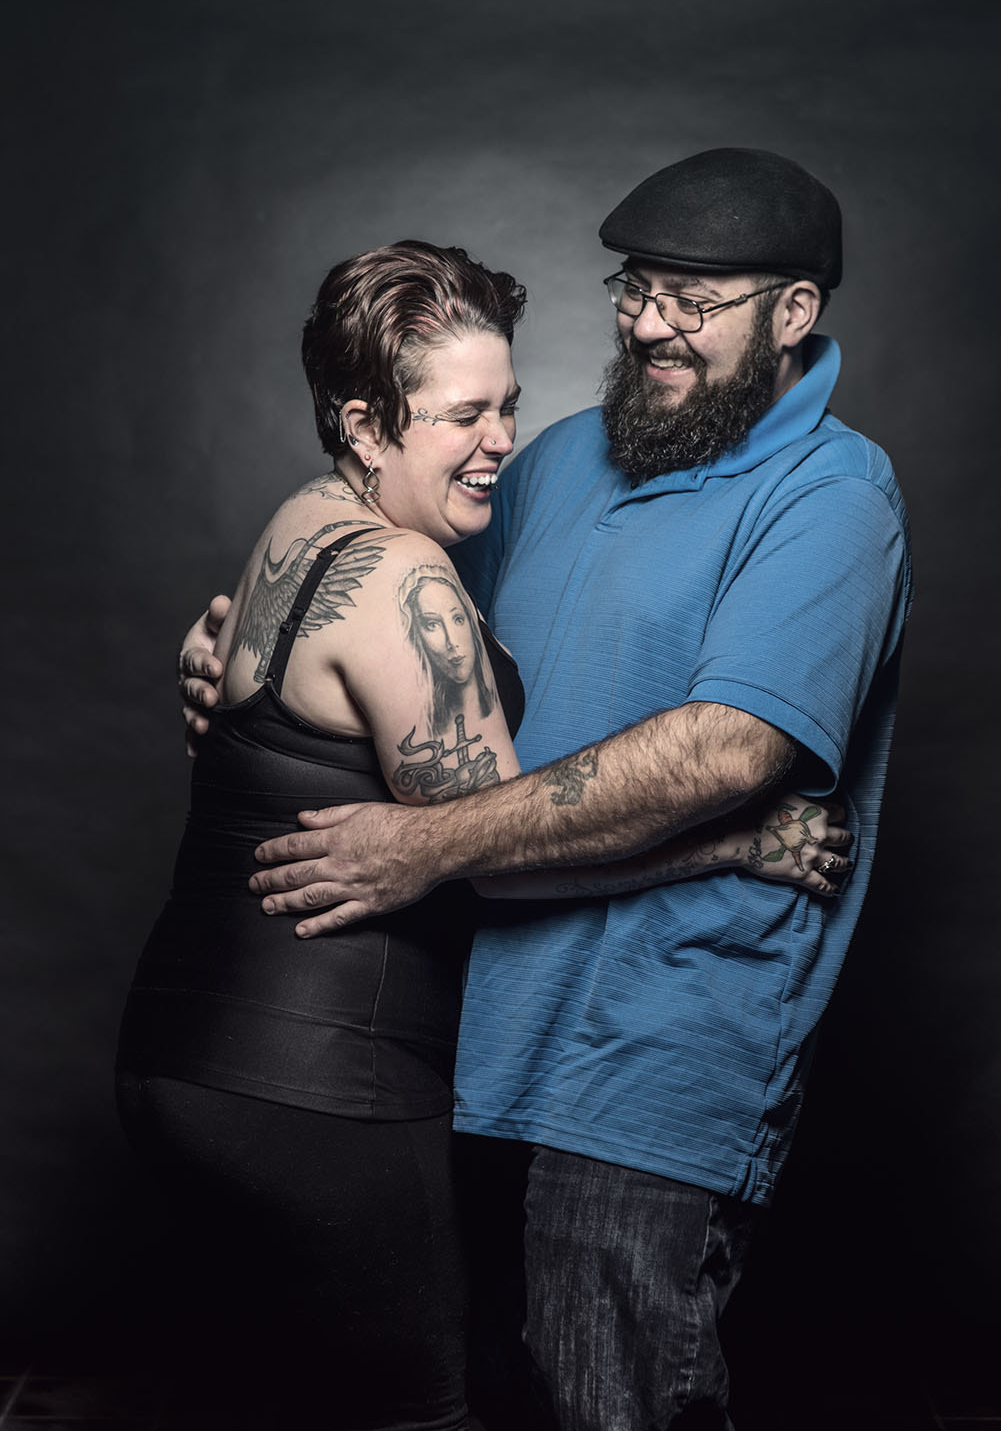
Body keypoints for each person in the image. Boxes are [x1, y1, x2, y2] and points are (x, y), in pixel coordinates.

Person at [130, 235, 845, 1431]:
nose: (501, 440)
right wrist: (733, 843)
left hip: (178, 1059)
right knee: (423, 1414)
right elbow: (494, 866)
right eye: (463, 415)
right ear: (365, 425)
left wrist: (203, 659)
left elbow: (255, 700)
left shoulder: (299, 520)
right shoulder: (411, 580)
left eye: (507, 404)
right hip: (322, 1085)